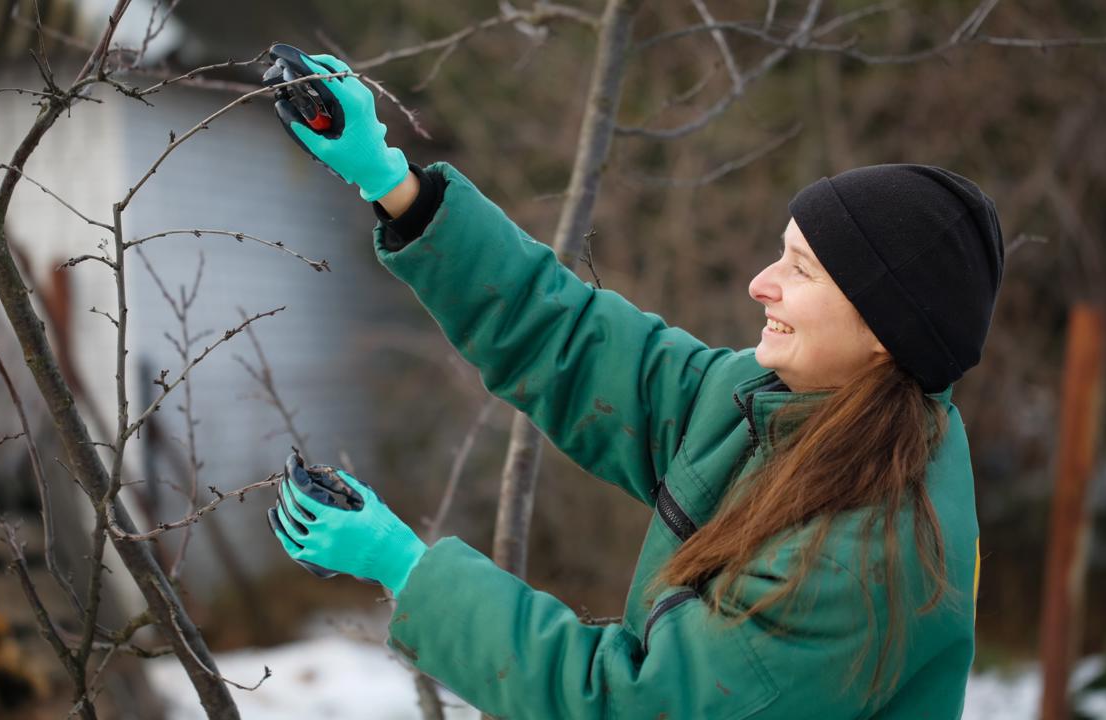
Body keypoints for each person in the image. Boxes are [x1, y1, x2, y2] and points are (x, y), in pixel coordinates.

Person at [264, 47, 1003, 719]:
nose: (760, 284)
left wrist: (407, 567)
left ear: (884, 330)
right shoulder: (777, 406)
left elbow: (632, 707)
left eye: (801, 270)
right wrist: (391, 180)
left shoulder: (866, 561)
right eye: (781, 255)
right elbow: (573, 345)